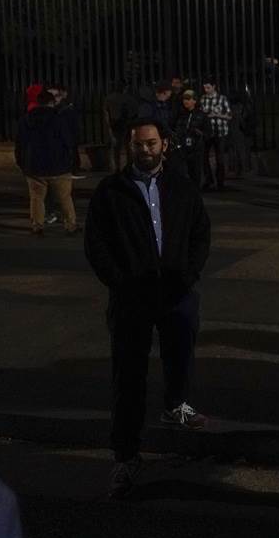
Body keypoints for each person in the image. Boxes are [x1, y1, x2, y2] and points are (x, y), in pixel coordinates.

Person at [84, 118, 211, 498]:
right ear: (130, 146)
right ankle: (125, 454)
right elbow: (97, 245)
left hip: (176, 292)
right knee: (128, 375)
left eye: (152, 143)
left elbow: (200, 232)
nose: (145, 150)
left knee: (180, 353)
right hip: (131, 297)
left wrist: (188, 274)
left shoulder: (182, 186)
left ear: (165, 145)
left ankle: (177, 403)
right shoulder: (111, 191)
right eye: (139, 144)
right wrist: (120, 281)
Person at [14, 90, 78, 236]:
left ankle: (37, 225)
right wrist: (71, 163)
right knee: (64, 198)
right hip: (59, 165)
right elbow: (68, 142)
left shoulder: (26, 120)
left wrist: (22, 163)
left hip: (34, 166)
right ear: (51, 102)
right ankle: (70, 224)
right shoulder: (59, 119)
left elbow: (20, 144)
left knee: (37, 198)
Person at [199, 76, 231, 190]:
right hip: (208, 132)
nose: (206, 90)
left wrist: (217, 115)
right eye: (204, 88)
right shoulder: (203, 99)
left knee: (220, 157)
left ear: (214, 87)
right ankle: (209, 179)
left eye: (208, 87)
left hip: (220, 131)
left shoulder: (222, 99)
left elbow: (229, 116)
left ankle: (220, 181)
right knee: (204, 157)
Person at [172, 90, 209, 188]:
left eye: (188, 99)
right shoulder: (180, 114)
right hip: (182, 148)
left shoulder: (201, 115)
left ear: (194, 101)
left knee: (195, 173)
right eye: (184, 99)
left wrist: (200, 133)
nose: (185, 101)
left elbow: (208, 132)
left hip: (196, 149)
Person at [104, 80, 138, 173]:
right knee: (129, 147)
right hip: (127, 125)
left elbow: (106, 115)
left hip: (114, 125)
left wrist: (109, 128)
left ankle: (116, 169)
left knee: (115, 148)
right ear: (125, 88)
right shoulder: (129, 99)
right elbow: (134, 113)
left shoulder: (109, 98)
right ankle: (130, 168)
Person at [228, 89, 254, 178]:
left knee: (234, 150)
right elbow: (245, 118)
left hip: (233, 130)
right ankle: (243, 169)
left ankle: (235, 169)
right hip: (240, 130)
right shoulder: (242, 107)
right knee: (242, 150)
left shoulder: (230, 107)